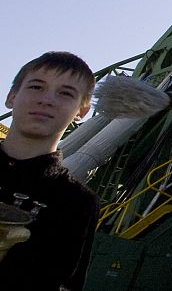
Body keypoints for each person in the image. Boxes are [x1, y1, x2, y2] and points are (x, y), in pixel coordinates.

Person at [1, 51, 100, 291]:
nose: (47, 100)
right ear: (12, 97)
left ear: (82, 112)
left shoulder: (79, 203)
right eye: (36, 87)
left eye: (65, 93)